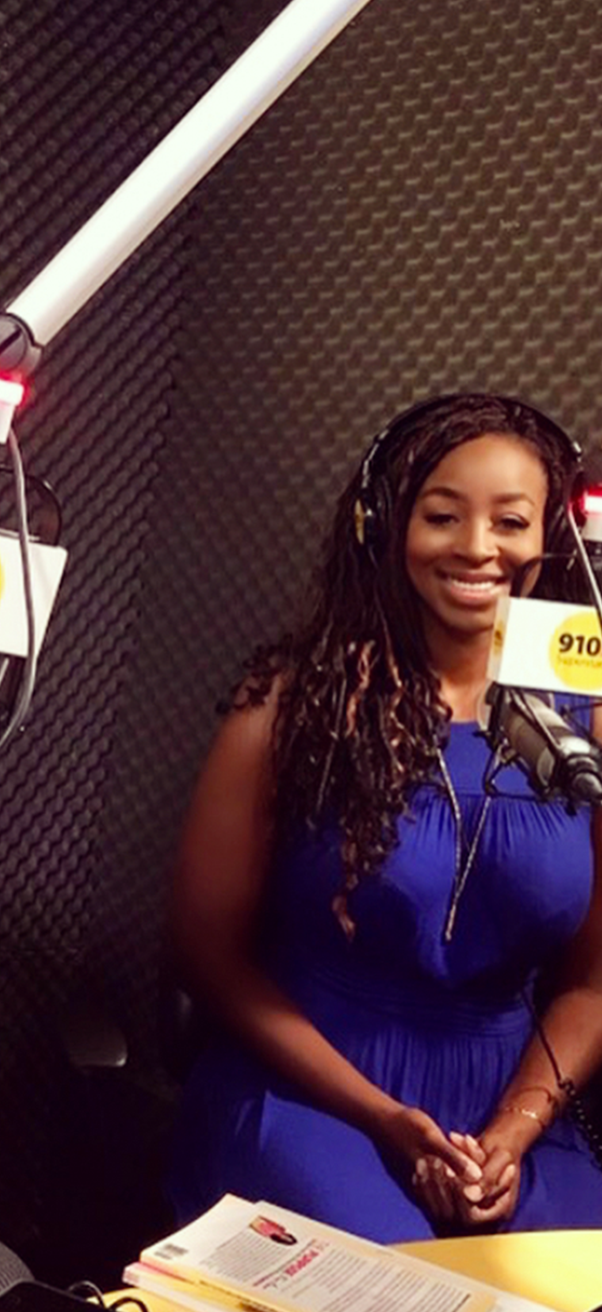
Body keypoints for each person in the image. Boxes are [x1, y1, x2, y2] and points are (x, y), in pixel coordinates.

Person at [167, 393, 602, 1242]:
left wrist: (513, 1135)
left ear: (549, 538)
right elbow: (205, 956)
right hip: (310, 1093)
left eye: (510, 521)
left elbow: (592, 983)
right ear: (382, 525)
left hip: (511, 1110)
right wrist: (383, 1120)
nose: (478, 547)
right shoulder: (289, 707)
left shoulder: (586, 717)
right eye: (443, 516)